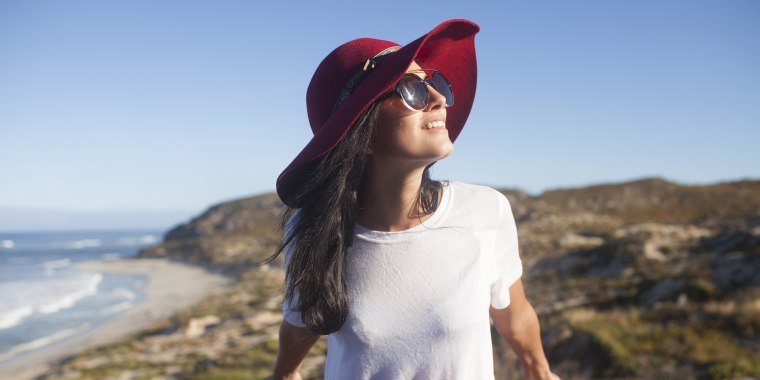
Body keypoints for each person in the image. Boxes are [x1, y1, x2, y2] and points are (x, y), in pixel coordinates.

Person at [267, 19, 559, 380]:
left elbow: (514, 314)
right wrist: (284, 373)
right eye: (411, 90)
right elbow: (301, 321)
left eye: (434, 84)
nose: (438, 99)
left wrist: (539, 370)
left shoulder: (486, 211)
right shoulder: (314, 227)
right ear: (363, 132)